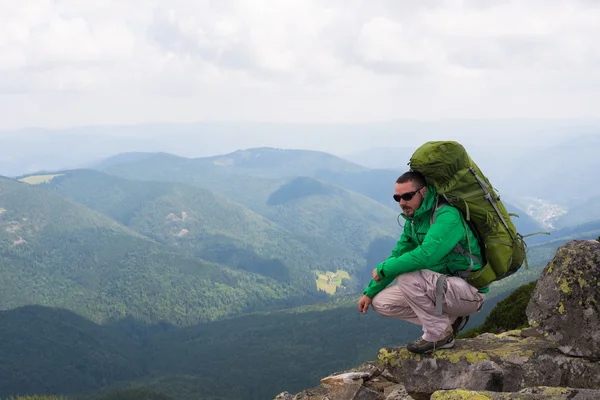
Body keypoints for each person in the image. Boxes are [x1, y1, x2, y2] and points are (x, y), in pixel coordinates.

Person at [357, 170, 488, 354]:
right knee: (381, 303)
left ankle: (440, 334)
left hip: (469, 292)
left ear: (423, 192)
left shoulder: (447, 216)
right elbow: (397, 255)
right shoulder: (414, 222)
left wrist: (385, 269)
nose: (402, 202)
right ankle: (450, 321)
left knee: (405, 274)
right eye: (397, 198)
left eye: (407, 196)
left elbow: (427, 255)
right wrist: (370, 292)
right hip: (443, 289)